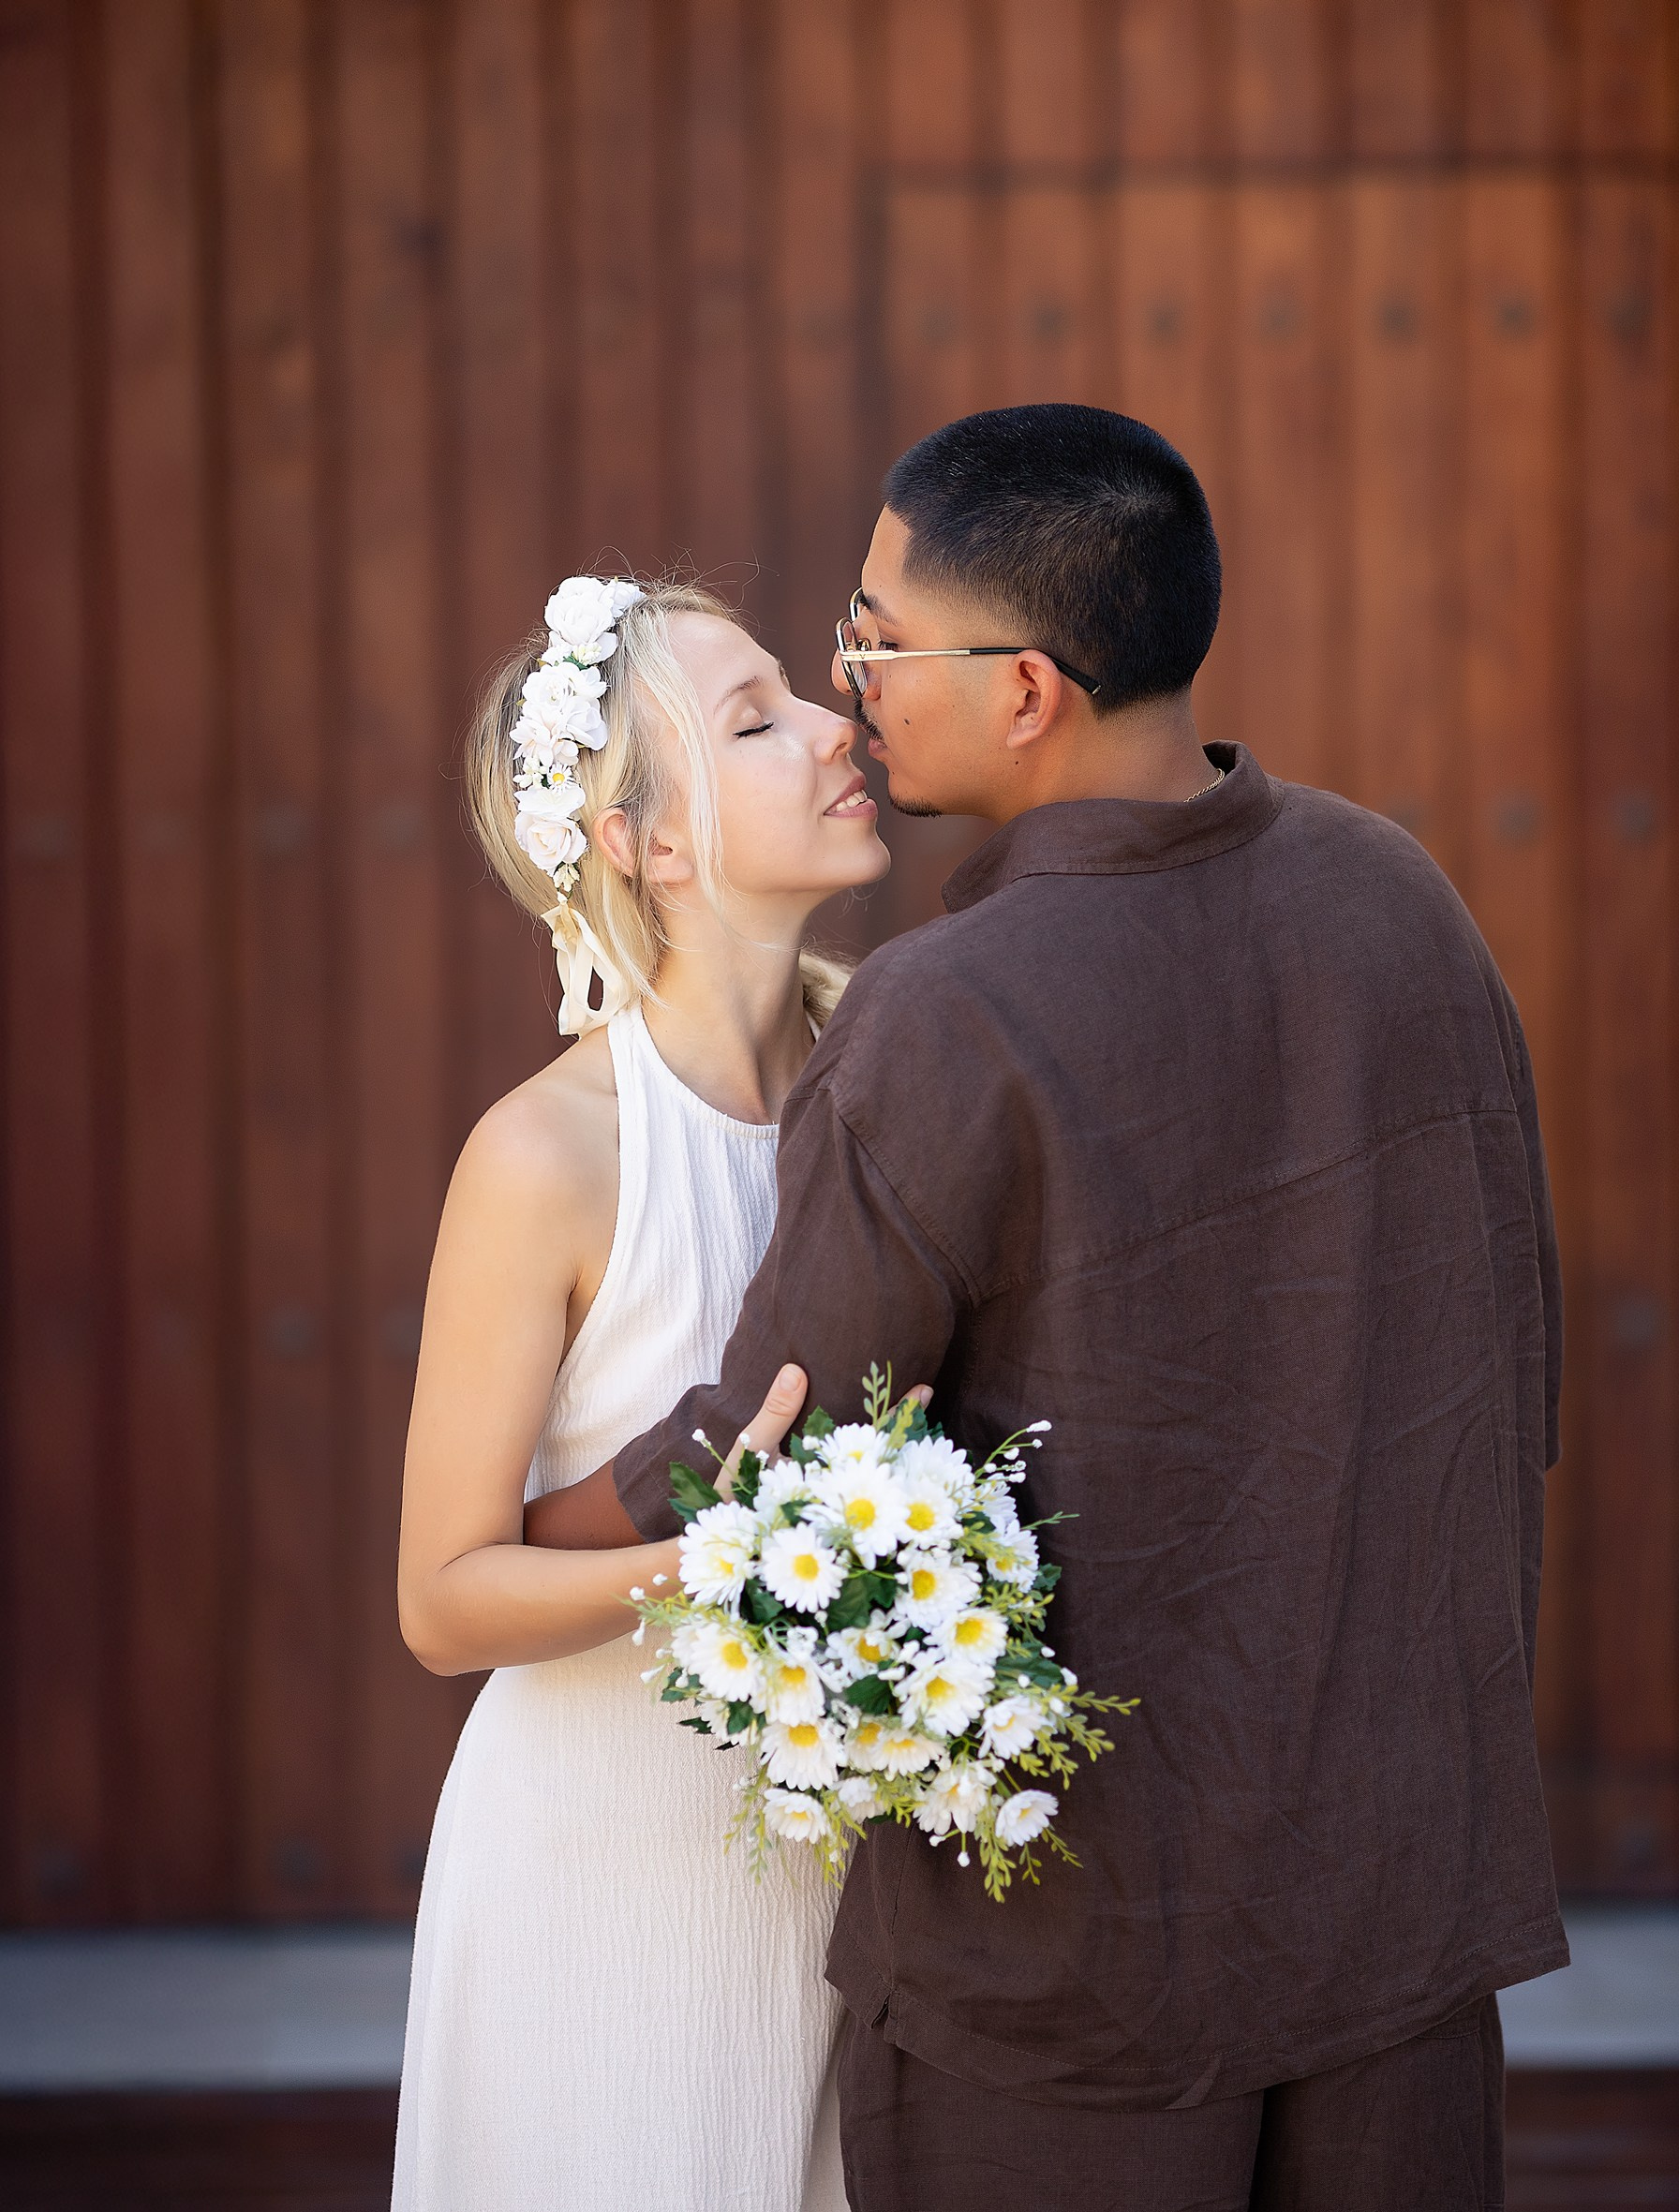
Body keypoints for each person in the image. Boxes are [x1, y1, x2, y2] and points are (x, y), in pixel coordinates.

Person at [529, 403, 1567, 2210]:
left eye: (874, 635)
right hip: (1404, 1899)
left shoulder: (948, 1009)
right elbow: (1515, 1365)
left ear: (1023, 688)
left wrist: (517, 1542)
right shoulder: (1401, 894)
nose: (850, 679)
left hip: (1078, 1963)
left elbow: (784, 1442)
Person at [392, 575, 888, 2212]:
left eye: (799, 695)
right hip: (599, 1877)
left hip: (843, 1890)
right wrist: (712, 1564)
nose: (835, 725)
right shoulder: (547, 1154)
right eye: (757, 719)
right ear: (646, 844)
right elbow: (446, 1598)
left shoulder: (889, 1089)